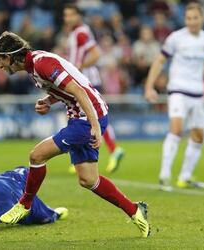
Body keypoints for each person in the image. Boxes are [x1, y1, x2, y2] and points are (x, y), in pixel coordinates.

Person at [0, 31, 150, 237]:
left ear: (11, 55)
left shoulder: (42, 64)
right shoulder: (34, 66)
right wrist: (49, 101)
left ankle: (25, 204)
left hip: (86, 118)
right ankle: (134, 210)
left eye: (0, 59)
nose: (0, 65)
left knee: (37, 155)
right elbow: (67, 89)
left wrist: (94, 126)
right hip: (81, 116)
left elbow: (79, 91)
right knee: (88, 179)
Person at [144, 2, 204, 192]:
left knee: (199, 136)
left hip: (198, 93)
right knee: (176, 129)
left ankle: (184, 177)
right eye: (188, 18)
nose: (192, 22)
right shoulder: (176, 38)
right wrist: (149, 86)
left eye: (195, 18)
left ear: (201, 18)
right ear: (185, 19)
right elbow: (160, 61)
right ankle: (165, 175)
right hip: (178, 91)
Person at [63, 4, 124, 174]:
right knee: (86, 117)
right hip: (84, 79)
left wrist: (77, 68)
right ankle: (84, 157)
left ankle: (111, 149)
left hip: (84, 80)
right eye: (65, 15)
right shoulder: (79, 32)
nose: (67, 19)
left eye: (70, 15)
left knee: (87, 116)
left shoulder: (81, 32)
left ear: (78, 16)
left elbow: (96, 54)